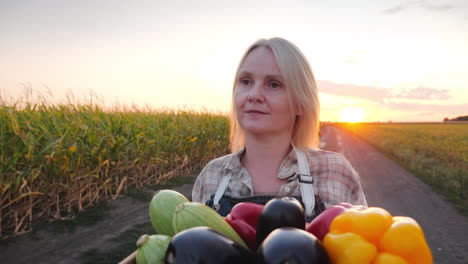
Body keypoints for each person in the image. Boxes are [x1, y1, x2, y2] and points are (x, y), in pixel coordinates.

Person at [192, 37, 367, 219]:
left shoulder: (335, 171)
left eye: (274, 84)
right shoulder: (212, 175)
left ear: (301, 103)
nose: (254, 95)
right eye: (245, 81)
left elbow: (366, 242)